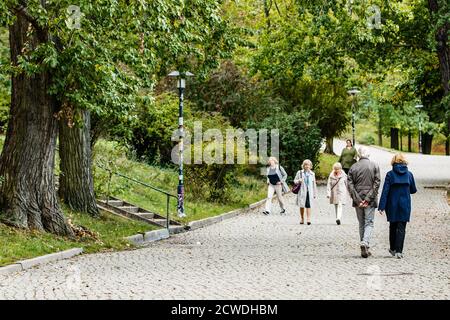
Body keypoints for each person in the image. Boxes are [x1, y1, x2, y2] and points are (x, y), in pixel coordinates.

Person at [378, 154, 417, 259]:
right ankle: (400, 251)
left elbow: (385, 191)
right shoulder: (409, 174)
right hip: (405, 204)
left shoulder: (390, 175)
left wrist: (381, 206)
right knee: (402, 227)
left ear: (393, 162)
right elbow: (413, 190)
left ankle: (393, 249)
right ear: (404, 161)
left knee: (393, 226)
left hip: (392, 204)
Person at [347, 147, 381, 258]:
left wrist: (358, 200)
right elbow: (377, 183)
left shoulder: (353, 167)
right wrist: (367, 199)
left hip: (358, 200)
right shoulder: (374, 165)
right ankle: (365, 243)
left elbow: (350, 185)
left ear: (359, 155)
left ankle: (364, 244)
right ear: (368, 155)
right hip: (369, 200)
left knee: (361, 223)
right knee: (369, 222)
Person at [294, 159, 317, 225]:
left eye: (308, 165)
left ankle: (308, 219)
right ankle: (302, 218)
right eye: (305, 165)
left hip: (309, 192)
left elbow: (314, 184)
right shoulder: (299, 172)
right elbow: (294, 181)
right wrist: (298, 180)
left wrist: (314, 193)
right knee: (302, 206)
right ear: (303, 166)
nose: (307, 166)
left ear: (310, 166)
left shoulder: (312, 174)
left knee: (308, 205)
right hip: (302, 191)